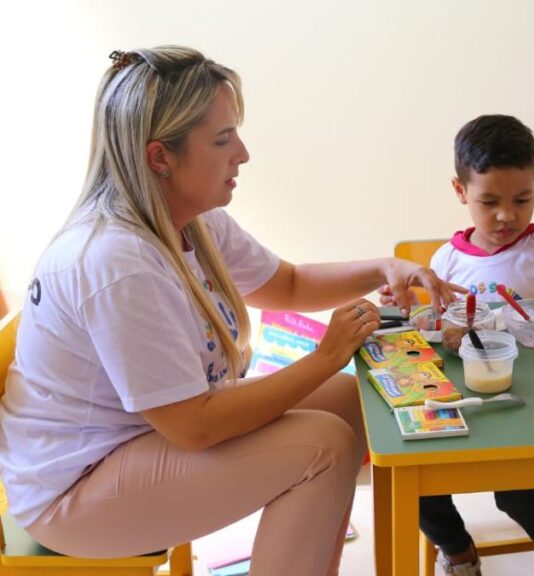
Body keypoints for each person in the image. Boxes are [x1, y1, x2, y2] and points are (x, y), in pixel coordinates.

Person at [0, 46, 458, 576]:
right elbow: (193, 427)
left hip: (142, 440)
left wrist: (386, 268)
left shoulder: (190, 220)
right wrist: (326, 355)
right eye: (222, 140)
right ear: (160, 157)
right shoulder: (117, 261)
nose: (242, 153)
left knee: (353, 401)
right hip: (72, 493)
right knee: (324, 447)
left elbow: (287, 284)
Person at [381, 114, 534, 576]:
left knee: (521, 492)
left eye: (522, 199)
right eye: (489, 201)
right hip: (468, 396)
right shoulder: (445, 261)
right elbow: (431, 327)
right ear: (460, 190)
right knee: (417, 479)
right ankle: (459, 553)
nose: (507, 215)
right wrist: (404, 303)